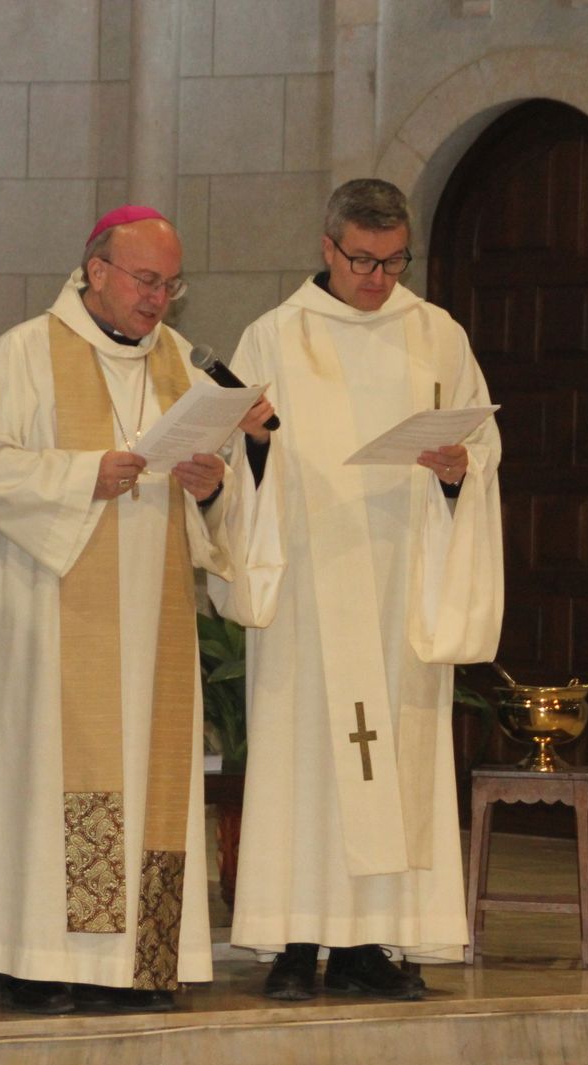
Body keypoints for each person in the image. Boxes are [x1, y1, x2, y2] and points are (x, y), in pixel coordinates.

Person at [0, 206, 271, 1015]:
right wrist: (81, 476)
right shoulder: (23, 355)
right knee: (51, 773)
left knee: (149, 778)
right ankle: (38, 958)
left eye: (171, 284)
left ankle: (139, 960)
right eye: (146, 280)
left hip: (152, 625)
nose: (160, 300)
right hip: (47, 623)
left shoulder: (184, 375)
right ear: (97, 272)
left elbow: (219, 507)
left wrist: (214, 486)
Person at [213, 178, 503, 1001]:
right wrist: (256, 446)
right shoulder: (273, 336)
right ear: (327, 248)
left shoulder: (438, 335)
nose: (378, 278)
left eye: (394, 261)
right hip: (311, 584)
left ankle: (376, 943)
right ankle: (297, 944)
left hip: (400, 584)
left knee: (397, 765)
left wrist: (458, 471)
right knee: (303, 763)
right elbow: (237, 459)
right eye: (363, 261)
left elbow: (481, 447)